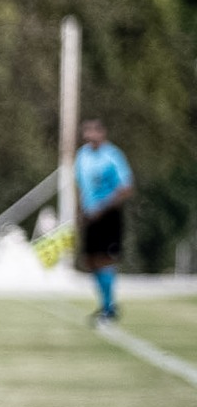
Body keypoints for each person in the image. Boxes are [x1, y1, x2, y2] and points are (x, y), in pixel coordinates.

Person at [75, 118, 133, 325]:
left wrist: (103, 207)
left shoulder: (113, 156)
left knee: (105, 259)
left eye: (93, 132)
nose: (89, 136)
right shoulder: (82, 155)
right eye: (86, 132)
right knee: (90, 261)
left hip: (108, 215)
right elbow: (80, 186)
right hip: (90, 215)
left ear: (102, 133)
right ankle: (108, 304)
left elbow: (126, 188)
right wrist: (80, 211)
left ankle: (108, 308)